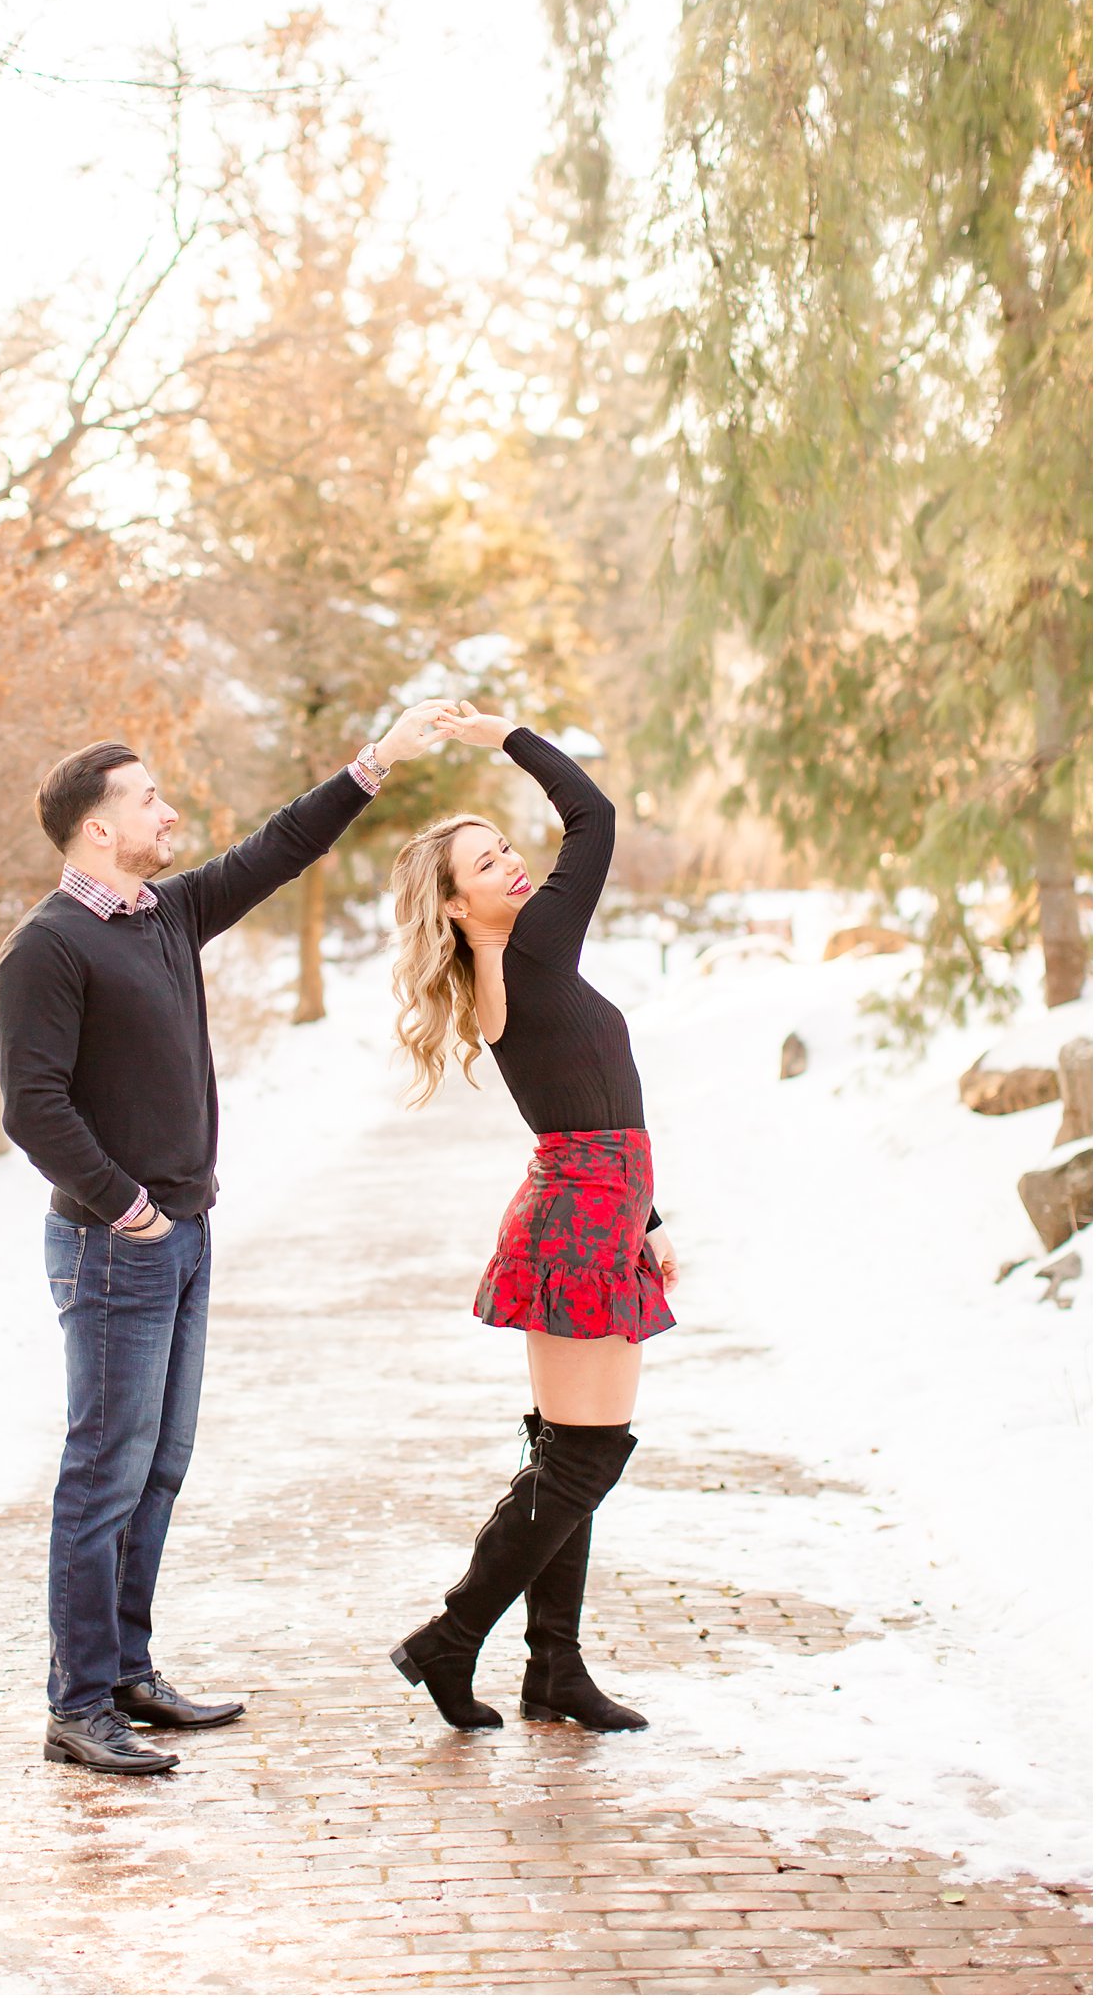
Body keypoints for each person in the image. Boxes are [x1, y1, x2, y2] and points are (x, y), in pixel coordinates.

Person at [0, 703, 449, 1775]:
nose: (168, 811)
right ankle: (75, 1704)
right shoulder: (45, 947)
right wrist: (132, 1209)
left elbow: (278, 848)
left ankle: (125, 1674)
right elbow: (32, 1108)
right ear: (96, 828)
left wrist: (375, 764)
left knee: (157, 1467)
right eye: (146, 798)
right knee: (102, 1471)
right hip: (119, 1247)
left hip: (183, 1236)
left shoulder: (163, 913)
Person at [386, 701, 679, 1732]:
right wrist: (503, 735)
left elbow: (590, 1103)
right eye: (486, 864)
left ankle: (550, 1669)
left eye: (508, 849)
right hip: (580, 1213)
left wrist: (647, 1223)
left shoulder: (509, 968)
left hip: (590, 1208)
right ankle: (450, 1638)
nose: (514, 867)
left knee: (568, 1451)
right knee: (586, 1456)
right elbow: (592, 816)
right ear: (458, 908)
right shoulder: (532, 950)